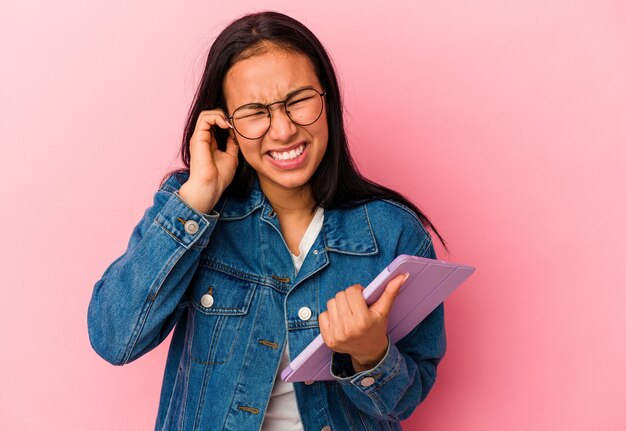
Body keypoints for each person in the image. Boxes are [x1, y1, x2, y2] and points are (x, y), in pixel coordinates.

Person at [87, 11, 447, 431]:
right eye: (255, 112)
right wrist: (199, 196)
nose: (283, 130)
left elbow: (406, 399)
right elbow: (114, 338)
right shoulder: (190, 208)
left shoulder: (392, 232)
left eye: (298, 101)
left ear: (326, 99)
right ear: (227, 124)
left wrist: (371, 353)